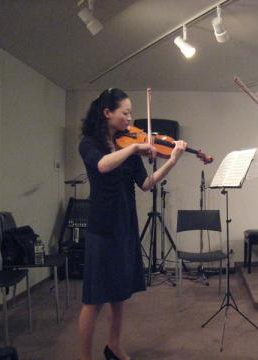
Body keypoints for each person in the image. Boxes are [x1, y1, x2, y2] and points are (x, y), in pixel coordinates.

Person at [78, 88, 186, 360]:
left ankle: (114, 345)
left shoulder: (128, 145)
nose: (130, 118)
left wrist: (171, 161)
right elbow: (103, 165)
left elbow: (147, 184)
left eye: (131, 113)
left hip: (125, 225)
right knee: (94, 299)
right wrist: (137, 147)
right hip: (102, 227)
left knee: (119, 294)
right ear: (107, 113)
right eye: (125, 112)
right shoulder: (90, 144)